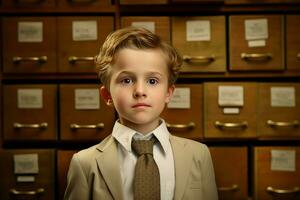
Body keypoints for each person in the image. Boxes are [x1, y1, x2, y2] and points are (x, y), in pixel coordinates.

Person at [64, 27, 218, 200]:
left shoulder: (198, 154)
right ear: (107, 95)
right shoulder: (84, 163)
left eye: (152, 81)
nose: (139, 91)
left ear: (169, 92)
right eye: (126, 80)